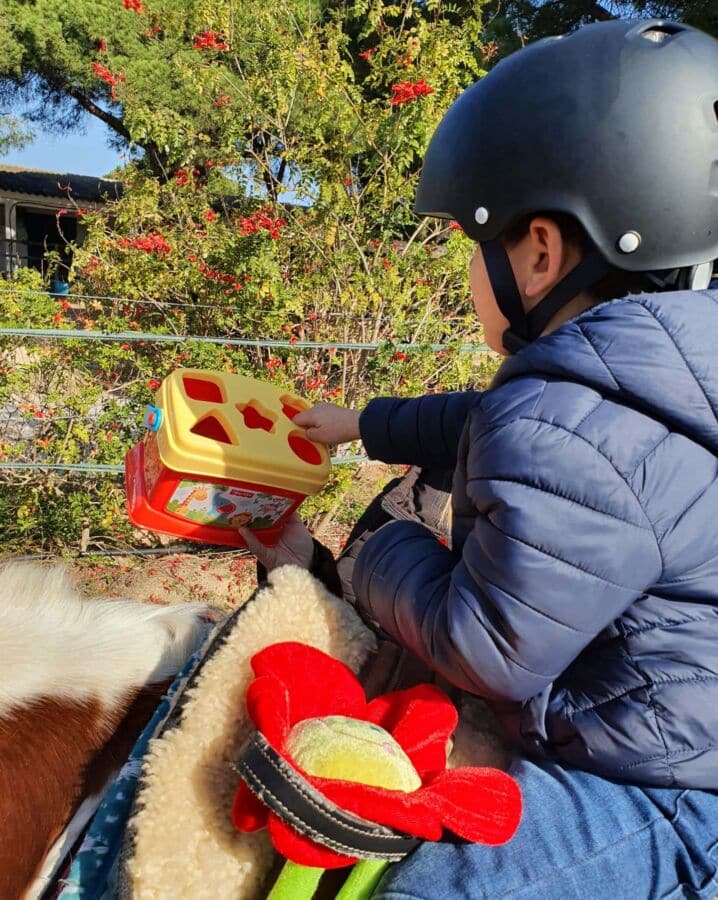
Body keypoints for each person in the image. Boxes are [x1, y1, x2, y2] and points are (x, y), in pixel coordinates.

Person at [239, 19, 718, 898]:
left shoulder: (568, 415)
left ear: (539, 252)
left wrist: (365, 551)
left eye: (475, 239)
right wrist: (365, 422)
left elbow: (485, 646)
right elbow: (500, 425)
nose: (468, 268)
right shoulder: (659, 379)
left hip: (665, 791)